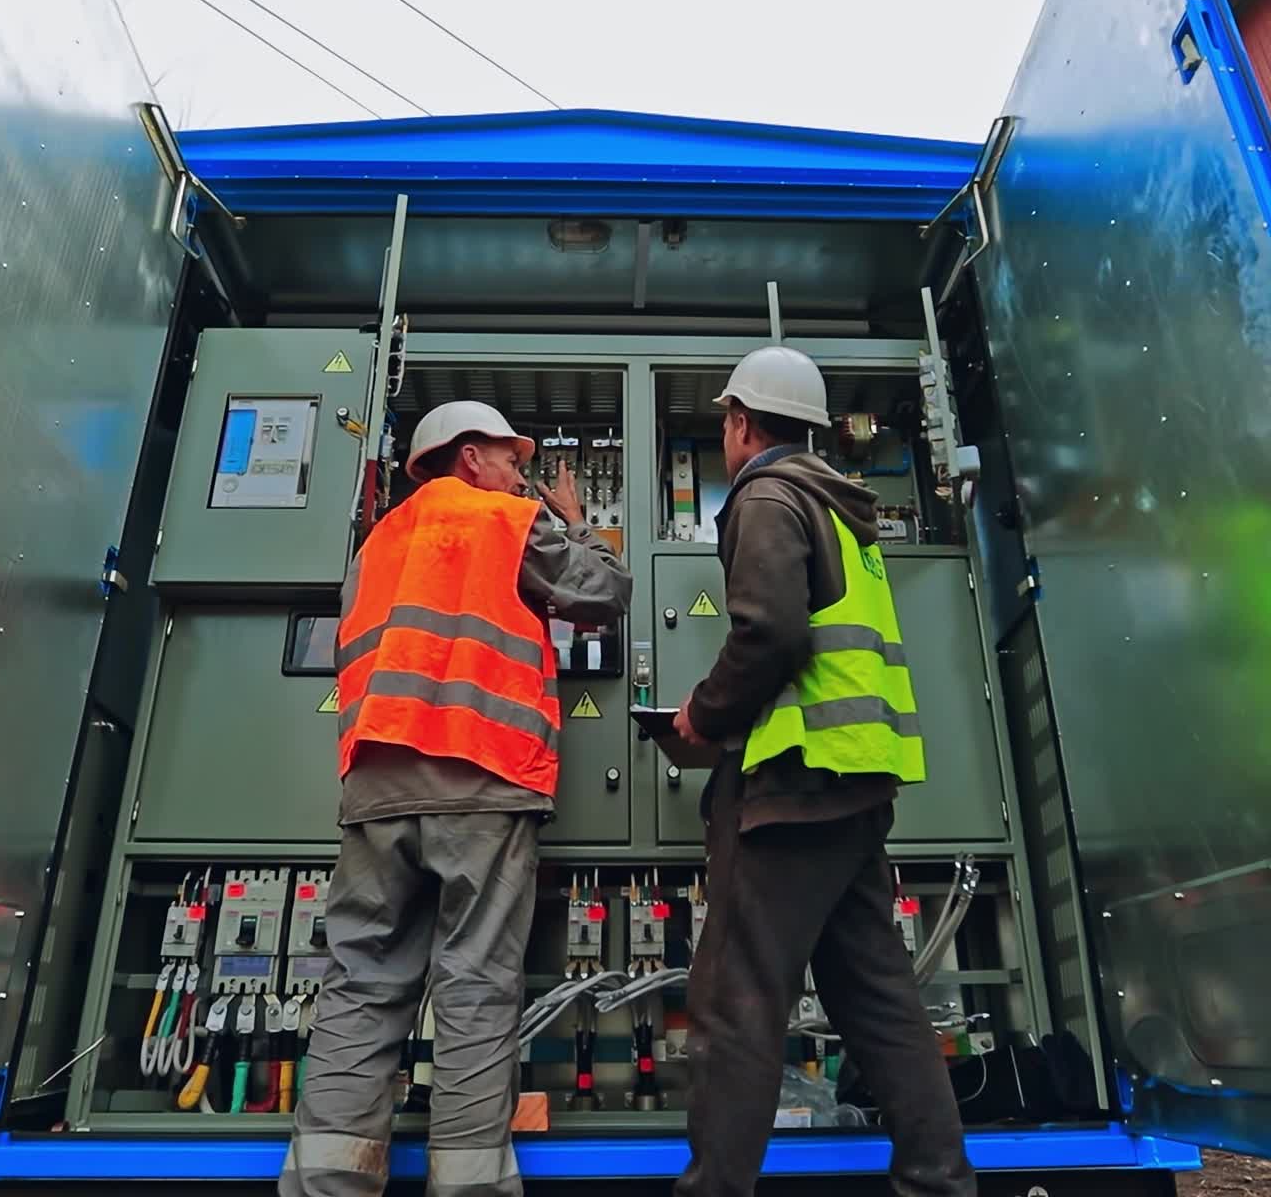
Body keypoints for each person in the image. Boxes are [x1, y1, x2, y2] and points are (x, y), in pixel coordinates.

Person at [281, 400, 631, 1197]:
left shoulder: (380, 540)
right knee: (474, 985)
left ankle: (327, 1182)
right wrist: (578, 524)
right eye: (512, 458)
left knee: (361, 983)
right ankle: (470, 1185)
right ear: (470, 457)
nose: (521, 475)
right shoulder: (503, 521)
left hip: (376, 782)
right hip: (480, 772)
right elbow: (605, 591)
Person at [672, 347, 975, 1197]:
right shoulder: (843, 510)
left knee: (738, 1004)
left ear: (741, 423)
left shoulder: (768, 496)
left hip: (792, 788)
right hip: (856, 785)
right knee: (881, 1003)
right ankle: (940, 1182)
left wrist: (703, 714)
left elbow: (770, 631)